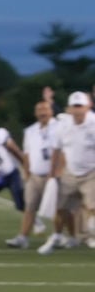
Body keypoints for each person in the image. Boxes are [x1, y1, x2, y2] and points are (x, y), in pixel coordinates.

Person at [37, 91, 95, 254]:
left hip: (91, 172)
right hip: (69, 172)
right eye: (74, 106)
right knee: (59, 207)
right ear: (70, 108)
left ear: (88, 106)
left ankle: (91, 235)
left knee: (92, 206)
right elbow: (56, 149)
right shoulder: (63, 125)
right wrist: (52, 173)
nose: (77, 110)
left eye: (80, 106)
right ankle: (56, 236)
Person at [6, 102, 58, 248]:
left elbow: (60, 152)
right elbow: (26, 154)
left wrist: (55, 173)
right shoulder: (30, 131)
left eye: (45, 109)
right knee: (29, 207)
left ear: (51, 111)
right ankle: (23, 238)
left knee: (56, 209)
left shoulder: (59, 127)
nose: (42, 112)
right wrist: (27, 173)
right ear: (35, 113)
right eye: (39, 110)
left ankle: (57, 236)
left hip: (53, 176)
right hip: (35, 176)